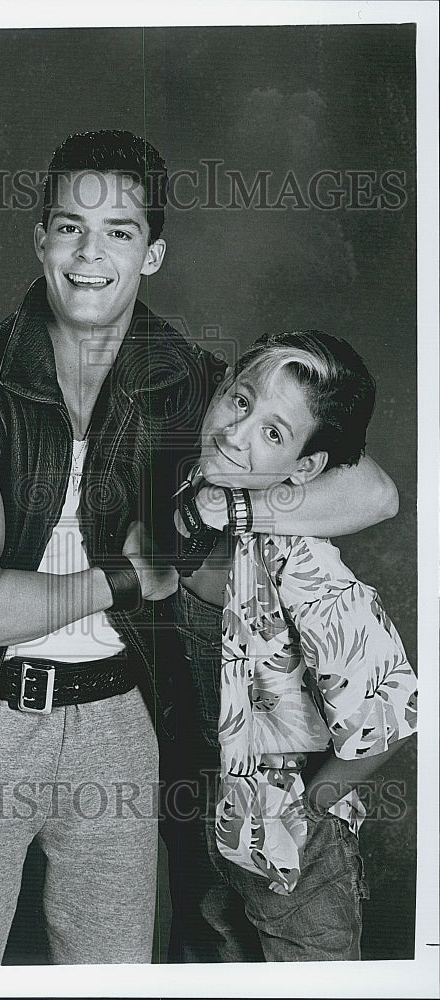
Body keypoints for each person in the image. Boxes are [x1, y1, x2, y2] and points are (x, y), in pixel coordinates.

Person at [0, 129, 399, 966]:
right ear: (40, 238)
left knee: (113, 976)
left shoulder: (193, 380)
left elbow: (372, 490)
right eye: (68, 228)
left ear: (152, 252)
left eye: (119, 232)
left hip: (122, 719)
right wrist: (134, 575)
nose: (90, 255)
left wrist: (215, 510)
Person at [163, 330, 417, 962]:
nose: (238, 432)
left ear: (303, 468)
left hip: (292, 842)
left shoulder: (303, 563)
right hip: (201, 818)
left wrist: (304, 815)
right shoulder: (184, 498)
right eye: (239, 400)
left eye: (274, 433)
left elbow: (388, 719)